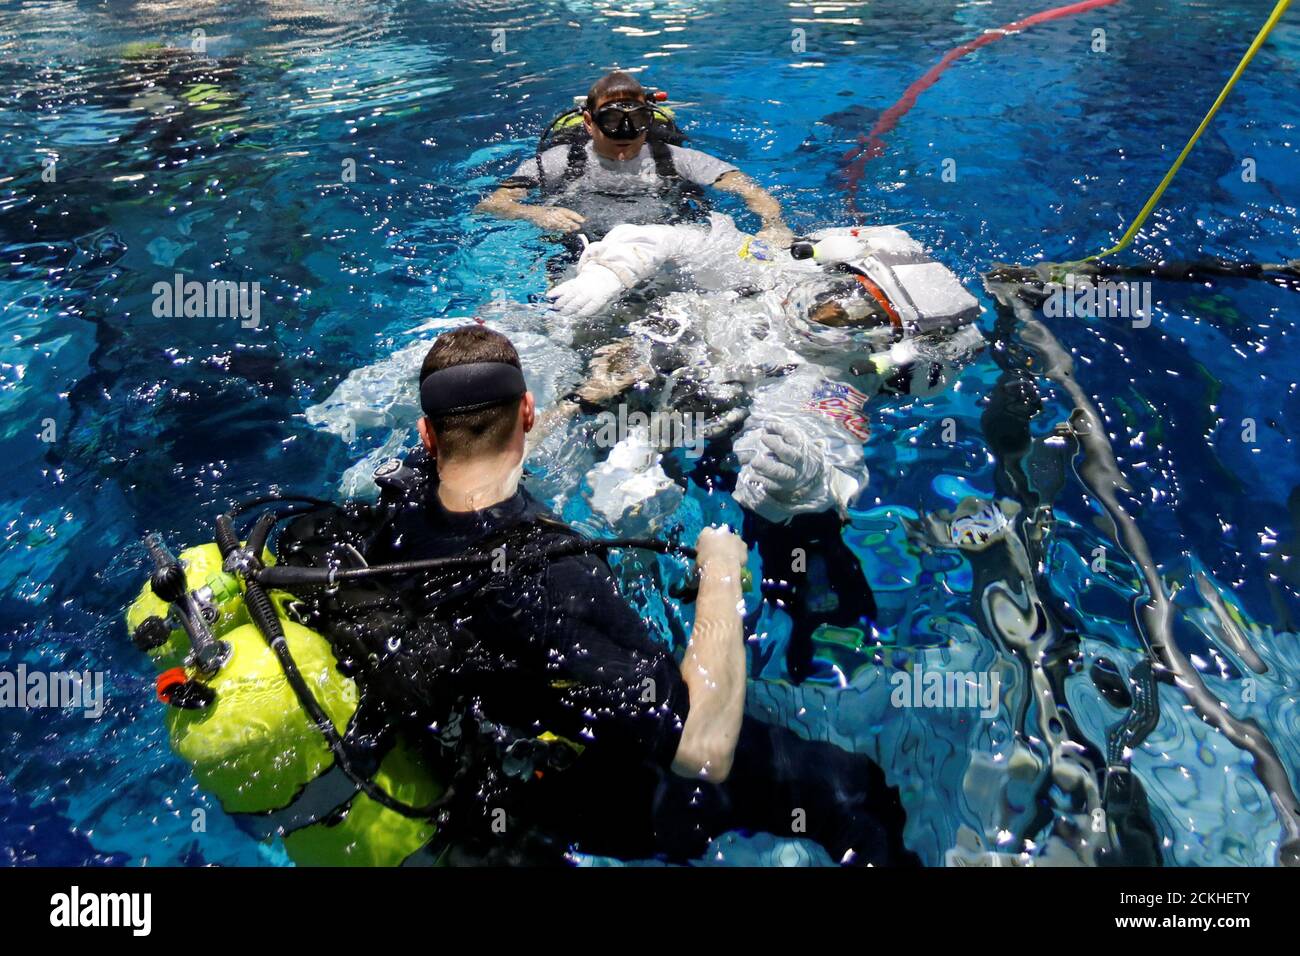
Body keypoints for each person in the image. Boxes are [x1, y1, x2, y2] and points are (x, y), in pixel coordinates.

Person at [350, 324, 915, 865]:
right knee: (857, 794)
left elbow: (480, 454)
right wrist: (720, 570)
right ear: (527, 411)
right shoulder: (554, 580)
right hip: (589, 793)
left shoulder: (398, 502)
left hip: (470, 752)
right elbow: (703, 751)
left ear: (428, 434)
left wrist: (585, 399)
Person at [546, 214, 984, 681]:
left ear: (878, 345)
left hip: (692, 417)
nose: (834, 311)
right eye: (845, 294)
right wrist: (616, 269)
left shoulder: (826, 377)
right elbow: (679, 240)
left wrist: (802, 480)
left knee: (627, 502)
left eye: (863, 317)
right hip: (638, 362)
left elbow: (829, 452)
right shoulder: (767, 270)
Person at [476, 71, 791, 246]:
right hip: (580, 249)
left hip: (665, 245)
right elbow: (493, 204)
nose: (624, 135)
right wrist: (535, 215)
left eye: (637, 122)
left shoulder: (677, 159)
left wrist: (774, 224)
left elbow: (749, 188)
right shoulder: (558, 161)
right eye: (611, 121)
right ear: (588, 122)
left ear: (649, 120)